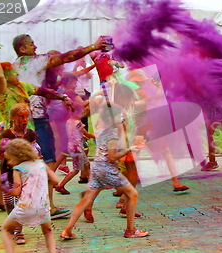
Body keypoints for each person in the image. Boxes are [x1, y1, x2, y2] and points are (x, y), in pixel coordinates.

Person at [0, 43, 73, 232]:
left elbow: (42, 91)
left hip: (25, 141)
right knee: (2, 179)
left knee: (17, 177)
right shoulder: (3, 91)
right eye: (12, 72)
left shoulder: (21, 87)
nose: (17, 74)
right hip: (11, 143)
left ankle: (16, 209)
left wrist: (63, 98)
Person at [11, 34, 109, 219]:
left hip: (22, 118)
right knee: (47, 162)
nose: (36, 46)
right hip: (36, 119)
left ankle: (18, 204)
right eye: (31, 44)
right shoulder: (35, 62)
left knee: (22, 162)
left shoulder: (16, 66)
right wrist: (93, 46)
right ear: (22, 49)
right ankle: (46, 208)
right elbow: (67, 56)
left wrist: (61, 97)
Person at [60, 104, 149, 239]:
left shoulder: (101, 128)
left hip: (96, 168)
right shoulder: (112, 134)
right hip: (107, 169)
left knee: (86, 200)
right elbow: (113, 156)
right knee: (132, 194)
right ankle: (130, 230)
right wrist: (130, 149)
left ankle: (67, 230)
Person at [0, 138, 59, 253]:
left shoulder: (18, 169)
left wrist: (5, 187)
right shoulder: (41, 164)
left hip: (25, 207)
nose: (9, 163)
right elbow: (55, 180)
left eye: (9, 159)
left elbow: (16, 192)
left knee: (6, 230)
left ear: (17, 156)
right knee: (48, 232)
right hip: (43, 207)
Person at [0, 104, 40, 245]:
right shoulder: (6, 135)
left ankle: (18, 231)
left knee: (20, 203)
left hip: (24, 175)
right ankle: (11, 226)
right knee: (9, 202)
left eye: (26, 117)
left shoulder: (31, 134)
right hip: (7, 173)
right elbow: (1, 154)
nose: (24, 119)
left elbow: (36, 151)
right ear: (13, 118)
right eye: (21, 116)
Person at [53, 73, 94, 195]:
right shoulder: (70, 95)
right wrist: (95, 98)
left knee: (64, 153)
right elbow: (82, 104)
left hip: (66, 125)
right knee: (74, 154)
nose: (76, 84)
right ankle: (59, 182)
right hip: (72, 133)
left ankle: (90, 180)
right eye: (74, 82)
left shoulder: (63, 93)